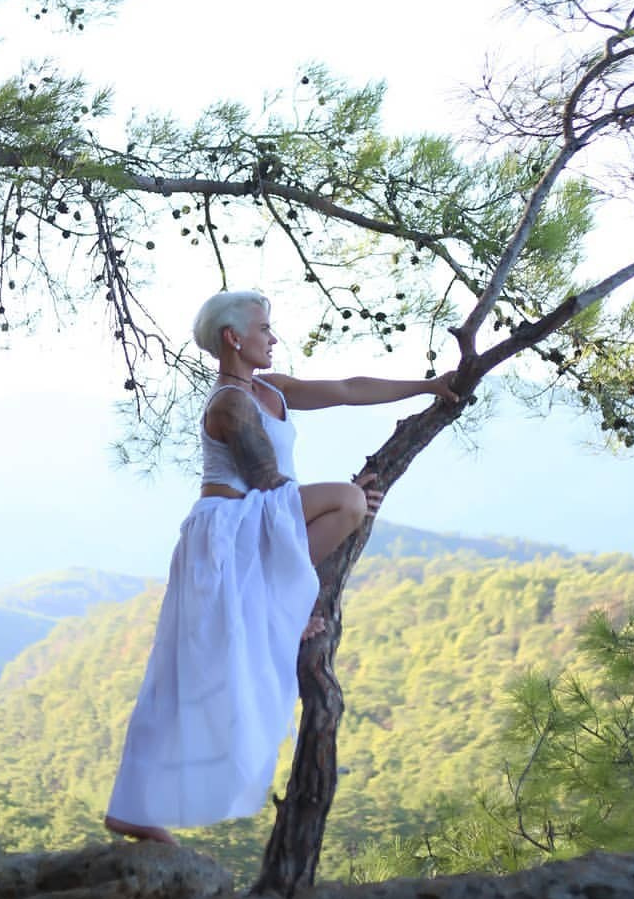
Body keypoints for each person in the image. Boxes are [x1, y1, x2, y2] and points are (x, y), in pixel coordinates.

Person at [104, 289, 459, 844]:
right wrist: (345, 493)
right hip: (227, 530)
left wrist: (427, 387)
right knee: (344, 505)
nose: (272, 337)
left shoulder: (267, 387)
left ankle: (281, 602)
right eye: (264, 328)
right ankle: (131, 807)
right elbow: (270, 485)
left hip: (249, 525)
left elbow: (346, 390)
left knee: (342, 504)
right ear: (234, 338)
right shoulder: (230, 403)